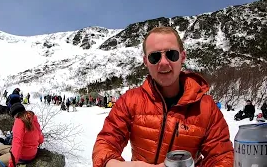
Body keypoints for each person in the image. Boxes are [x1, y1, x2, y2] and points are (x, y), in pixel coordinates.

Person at [92, 27, 233, 167]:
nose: (164, 63)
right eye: (154, 57)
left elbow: (222, 157)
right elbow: (105, 143)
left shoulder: (206, 108)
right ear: (146, 61)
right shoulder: (130, 100)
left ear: (183, 57)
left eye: (171, 55)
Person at [0, 103, 44, 167]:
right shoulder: (32, 118)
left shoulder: (19, 121)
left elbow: (17, 144)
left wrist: (12, 163)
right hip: (32, 153)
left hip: (23, 156)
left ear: (15, 115)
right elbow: (40, 136)